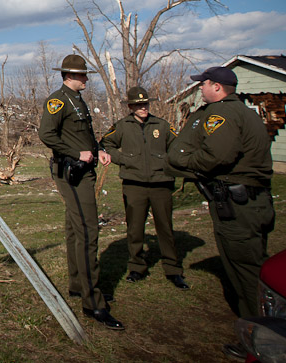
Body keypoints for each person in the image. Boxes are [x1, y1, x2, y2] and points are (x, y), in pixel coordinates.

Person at [167, 66, 274, 360]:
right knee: (254, 264)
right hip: (254, 202)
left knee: (246, 273)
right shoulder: (245, 112)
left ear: (216, 86)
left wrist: (183, 160)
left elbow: (217, 156)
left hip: (239, 206)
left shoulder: (222, 114)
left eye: (203, 84)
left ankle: (260, 341)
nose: (200, 88)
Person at [39, 54, 124, 331]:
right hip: (71, 172)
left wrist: (97, 151)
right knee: (88, 231)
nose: (86, 78)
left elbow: (82, 135)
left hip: (83, 169)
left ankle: (78, 285)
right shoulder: (58, 100)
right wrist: (77, 153)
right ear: (69, 76)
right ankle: (93, 303)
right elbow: (46, 135)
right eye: (82, 75)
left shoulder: (77, 100)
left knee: (75, 230)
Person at [101, 87, 189, 290]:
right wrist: (124, 159)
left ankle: (173, 269)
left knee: (165, 227)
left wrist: (167, 162)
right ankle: (136, 267)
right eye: (139, 105)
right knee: (135, 228)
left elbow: (178, 146)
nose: (143, 108)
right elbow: (106, 144)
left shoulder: (162, 125)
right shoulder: (122, 126)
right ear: (131, 107)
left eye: (146, 104)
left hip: (161, 183)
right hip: (134, 184)